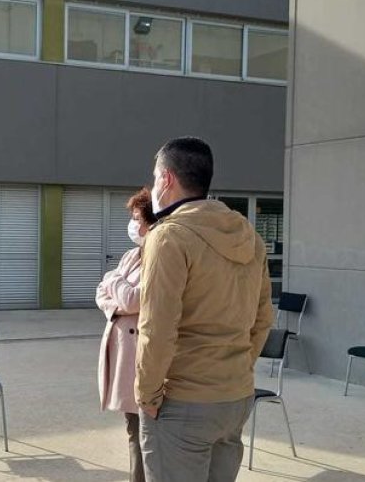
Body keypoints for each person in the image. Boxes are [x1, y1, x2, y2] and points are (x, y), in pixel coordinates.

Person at [136, 137, 275, 482]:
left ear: (166, 178)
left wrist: (147, 395)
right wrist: (237, 368)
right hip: (235, 396)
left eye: (155, 177)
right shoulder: (249, 236)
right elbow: (262, 318)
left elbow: (157, 328)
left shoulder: (169, 237)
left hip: (184, 401)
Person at [96, 188, 156, 482]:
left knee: (143, 431)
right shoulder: (132, 255)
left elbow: (133, 299)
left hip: (141, 356)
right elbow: (101, 294)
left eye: (137, 219)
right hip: (123, 351)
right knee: (133, 427)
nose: (133, 225)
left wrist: (113, 279)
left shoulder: (159, 257)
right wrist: (117, 303)